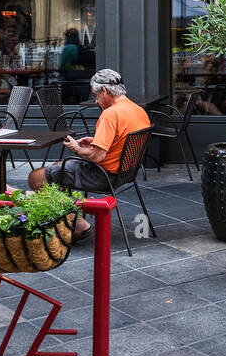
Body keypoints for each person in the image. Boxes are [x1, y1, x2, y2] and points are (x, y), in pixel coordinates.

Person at [29, 69, 149, 239]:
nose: (96, 100)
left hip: (103, 176)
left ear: (104, 91)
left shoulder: (110, 114)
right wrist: (95, 141)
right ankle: (69, 219)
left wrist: (76, 148)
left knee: (36, 178)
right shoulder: (138, 111)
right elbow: (121, 141)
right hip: (126, 174)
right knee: (58, 168)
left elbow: (97, 157)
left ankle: (77, 225)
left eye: (95, 95)